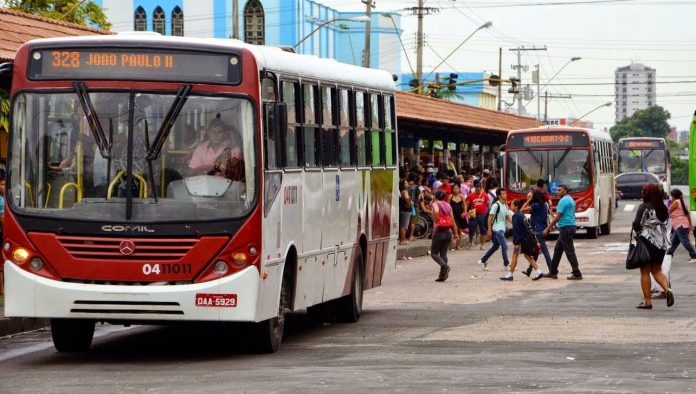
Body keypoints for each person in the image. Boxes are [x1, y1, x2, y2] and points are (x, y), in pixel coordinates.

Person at [632, 183, 674, 309]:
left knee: (644, 272)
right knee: (657, 270)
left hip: (646, 242)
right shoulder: (663, 208)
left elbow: (637, 225)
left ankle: (647, 301)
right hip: (660, 244)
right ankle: (667, 290)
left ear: (647, 193)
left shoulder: (644, 207)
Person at [543, 184, 583, 280]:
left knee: (569, 251)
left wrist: (548, 228)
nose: (557, 192)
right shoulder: (570, 199)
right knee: (558, 250)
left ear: (565, 190)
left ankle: (577, 273)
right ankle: (553, 272)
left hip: (566, 228)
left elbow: (558, 216)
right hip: (569, 227)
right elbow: (568, 215)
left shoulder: (563, 201)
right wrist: (557, 226)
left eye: (559, 190)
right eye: (557, 190)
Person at [501, 199, 544, 281]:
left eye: (512, 205)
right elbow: (528, 227)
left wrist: (516, 242)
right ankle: (538, 271)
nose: (511, 206)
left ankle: (510, 275)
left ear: (516, 207)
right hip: (526, 239)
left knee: (515, 256)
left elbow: (516, 230)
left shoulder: (516, 216)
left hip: (521, 240)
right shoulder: (521, 214)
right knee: (527, 256)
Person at [478, 189, 511, 271]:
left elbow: (507, 217)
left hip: (502, 229)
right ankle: (506, 264)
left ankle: (483, 260)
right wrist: (489, 230)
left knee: (495, 246)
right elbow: (490, 217)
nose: (505, 194)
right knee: (504, 245)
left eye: (505, 193)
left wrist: (516, 222)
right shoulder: (496, 205)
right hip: (497, 229)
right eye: (503, 193)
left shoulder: (504, 205)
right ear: (499, 196)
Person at [521, 190, 553, 275]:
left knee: (544, 251)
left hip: (537, 230)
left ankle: (552, 270)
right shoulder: (545, 205)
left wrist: (528, 200)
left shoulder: (535, 205)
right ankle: (529, 270)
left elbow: (522, 210)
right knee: (536, 252)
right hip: (543, 228)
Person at [431, 190, 458, 282]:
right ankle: (442, 276)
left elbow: (436, 211)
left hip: (439, 231)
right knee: (443, 254)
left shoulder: (435, 203)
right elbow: (453, 220)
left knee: (434, 253)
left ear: (435, 196)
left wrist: (437, 220)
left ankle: (445, 266)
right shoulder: (448, 205)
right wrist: (456, 233)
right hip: (448, 232)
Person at [666, 188, 696, 263]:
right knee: (674, 242)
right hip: (681, 224)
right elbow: (687, 214)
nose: (671, 197)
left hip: (680, 225)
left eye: (671, 195)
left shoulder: (676, 202)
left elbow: (668, 211)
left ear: (673, 196)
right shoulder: (682, 202)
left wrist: (670, 203)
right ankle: (668, 254)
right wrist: (690, 224)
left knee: (684, 241)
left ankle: (694, 256)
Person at [465, 180, 490, 250]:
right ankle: (470, 242)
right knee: (471, 229)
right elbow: (466, 205)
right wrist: (465, 212)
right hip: (472, 214)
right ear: (475, 188)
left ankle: (482, 245)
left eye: (479, 190)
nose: (477, 191)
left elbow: (488, 204)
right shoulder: (471, 195)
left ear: (481, 188)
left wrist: (490, 211)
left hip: (482, 215)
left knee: (483, 230)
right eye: (476, 190)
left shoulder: (485, 195)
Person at [447, 183, 467, 250]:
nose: (456, 190)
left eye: (457, 188)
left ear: (459, 189)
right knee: (455, 228)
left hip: (460, 214)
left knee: (460, 230)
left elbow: (465, 205)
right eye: (454, 188)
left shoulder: (461, 196)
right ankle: (453, 242)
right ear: (452, 189)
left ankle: (458, 245)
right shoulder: (450, 196)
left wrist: (465, 212)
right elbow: (447, 206)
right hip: (452, 214)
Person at [398, 179, 412, 245]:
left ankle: (402, 239)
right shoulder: (405, 191)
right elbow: (406, 198)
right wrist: (409, 203)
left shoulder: (401, 191)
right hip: (405, 211)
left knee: (403, 225)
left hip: (402, 210)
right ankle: (402, 240)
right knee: (404, 226)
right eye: (406, 183)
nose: (407, 184)